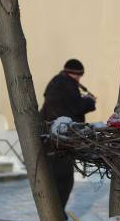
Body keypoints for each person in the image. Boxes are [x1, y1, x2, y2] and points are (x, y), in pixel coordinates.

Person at [40, 59, 96, 210]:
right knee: (63, 180)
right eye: (79, 76)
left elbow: (67, 105)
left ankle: (55, 213)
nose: (79, 79)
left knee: (56, 180)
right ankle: (57, 215)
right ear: (75, 74)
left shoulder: (57, 83)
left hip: (50, 138)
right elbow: (75, 107)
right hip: (60, 141)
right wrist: (89, 102)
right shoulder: (67, 84)